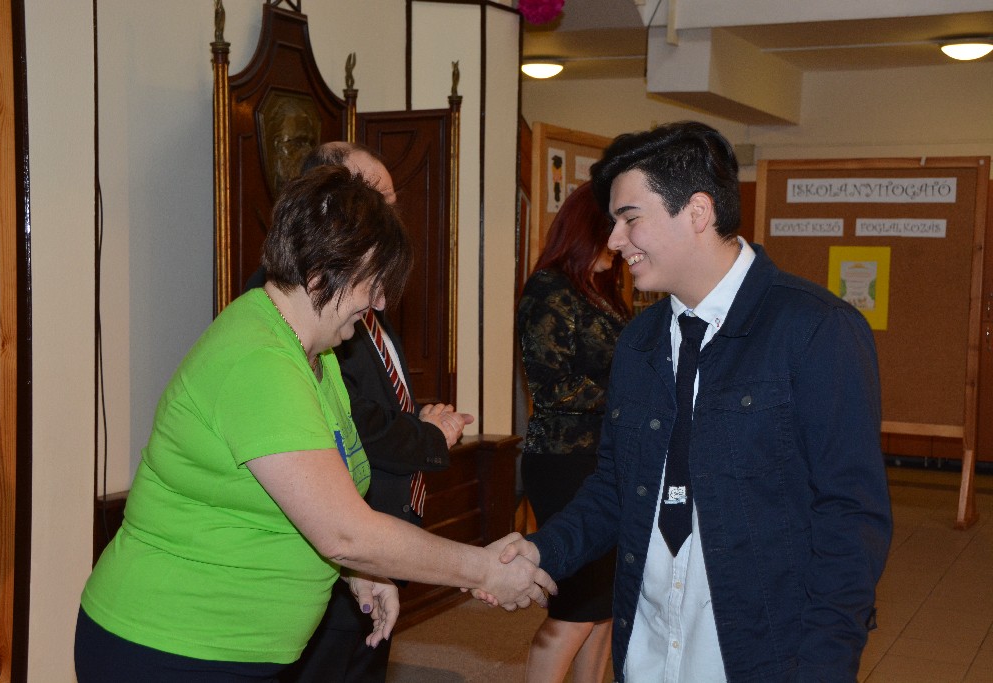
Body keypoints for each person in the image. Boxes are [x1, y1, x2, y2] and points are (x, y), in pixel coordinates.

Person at [74, 165, 555, 683]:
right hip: (168, 645)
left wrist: (358, 572)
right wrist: (483, 569)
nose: (381, 302)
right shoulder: (259, 361)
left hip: (232, 650)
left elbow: (319, 499)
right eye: (373, 283)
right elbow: (345, 532)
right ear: (321, 274)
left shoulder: (317, 357)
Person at [494, 121, 892, 682]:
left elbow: (851, 519)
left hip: (758, 654)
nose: (615, 240)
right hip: (649, 648)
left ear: (698, 212)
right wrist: (541, 552)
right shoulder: (640, 341)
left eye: (630, 218)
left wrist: (825, 664)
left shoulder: (816, 331)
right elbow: (615, 488)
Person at [245, 141, 473, 683]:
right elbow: (352, 425)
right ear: (330, 207)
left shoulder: (347, 297)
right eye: (376, 201)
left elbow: (362, 400)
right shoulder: (278, 326)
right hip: (321, 553)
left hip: (360, 554)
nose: (390, 216)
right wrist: (482, 569)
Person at [516, 181, 629, 683]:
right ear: (588, 229)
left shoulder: (601, 290)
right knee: (578, 607)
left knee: (605, 606)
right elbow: (552, 386)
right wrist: (628, 398)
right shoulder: (549, 288)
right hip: (564, 461)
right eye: (614, 227)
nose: (622, 241)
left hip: (603, 457)